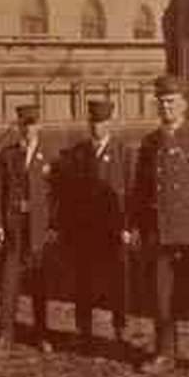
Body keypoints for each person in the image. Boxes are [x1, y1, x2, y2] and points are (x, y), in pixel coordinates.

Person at [130, 75, 189, 376]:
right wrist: (136, 227)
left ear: (184, 103)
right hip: (161, 230)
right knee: (161, 295)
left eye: (171, 101)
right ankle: (164, 353)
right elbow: (141, 190)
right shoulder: (150, 142)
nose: (166, 107)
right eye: (161, 102)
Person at [64, 99, 134, 356]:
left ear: (110, 124)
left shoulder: (123, 152)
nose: (97, 127)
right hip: (85, 231)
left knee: (118, 281)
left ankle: (120, 330)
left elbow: (131, 192)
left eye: (102, 122)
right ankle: (84, 331)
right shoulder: (79, 153)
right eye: (93, 122)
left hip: (113, 230)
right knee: (84, 281)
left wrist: (127, 227)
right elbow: (70, 194)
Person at [0, 104, 58, 356]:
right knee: (9, 284)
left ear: (39, 126)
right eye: (23, 124)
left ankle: (41, 334)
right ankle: (5, 336)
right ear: (18, 126)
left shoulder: (50, 155)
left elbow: (57, 195)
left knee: (39, 284)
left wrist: (53, 225)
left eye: (32, 124)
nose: (28, 129)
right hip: (14, 228)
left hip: (39, 229)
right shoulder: (8, 155)